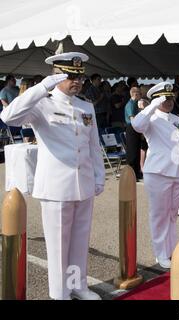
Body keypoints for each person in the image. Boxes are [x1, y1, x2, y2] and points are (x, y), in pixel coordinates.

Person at [0, 52, 105, 300]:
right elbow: (8, 116)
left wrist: (99, 176)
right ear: (56, 75)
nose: (77, 81)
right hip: (57, 186)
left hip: (84, 184)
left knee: (80, 240)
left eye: (79, 76)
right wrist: (42, 87)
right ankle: (60, 293)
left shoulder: (85, 106)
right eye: (70, 76)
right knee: (58, 244)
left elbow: (93, 146)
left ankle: (78, 286)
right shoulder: (41, 104)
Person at [131, 82, 179, 269]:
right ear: (157, 99)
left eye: (171, 97)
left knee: (172, 214)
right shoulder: (150, 117)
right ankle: (161, 253)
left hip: (178, 172)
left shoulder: (176, 118)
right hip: (158, 172)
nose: (170, 100)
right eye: (165, 98)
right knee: (159, 215)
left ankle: (171, 248)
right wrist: (153, 105)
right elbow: (137, 125)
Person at [124, 86, 143, 180]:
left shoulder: (135, 103)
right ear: (134, 93)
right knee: (132, 152)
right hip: (131, 127)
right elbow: (132, 118)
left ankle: (137, 172)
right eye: (139, 93)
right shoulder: (130, 104)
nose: (140, 95)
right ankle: (131, 175)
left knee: (136, 151)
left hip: (136, 127)